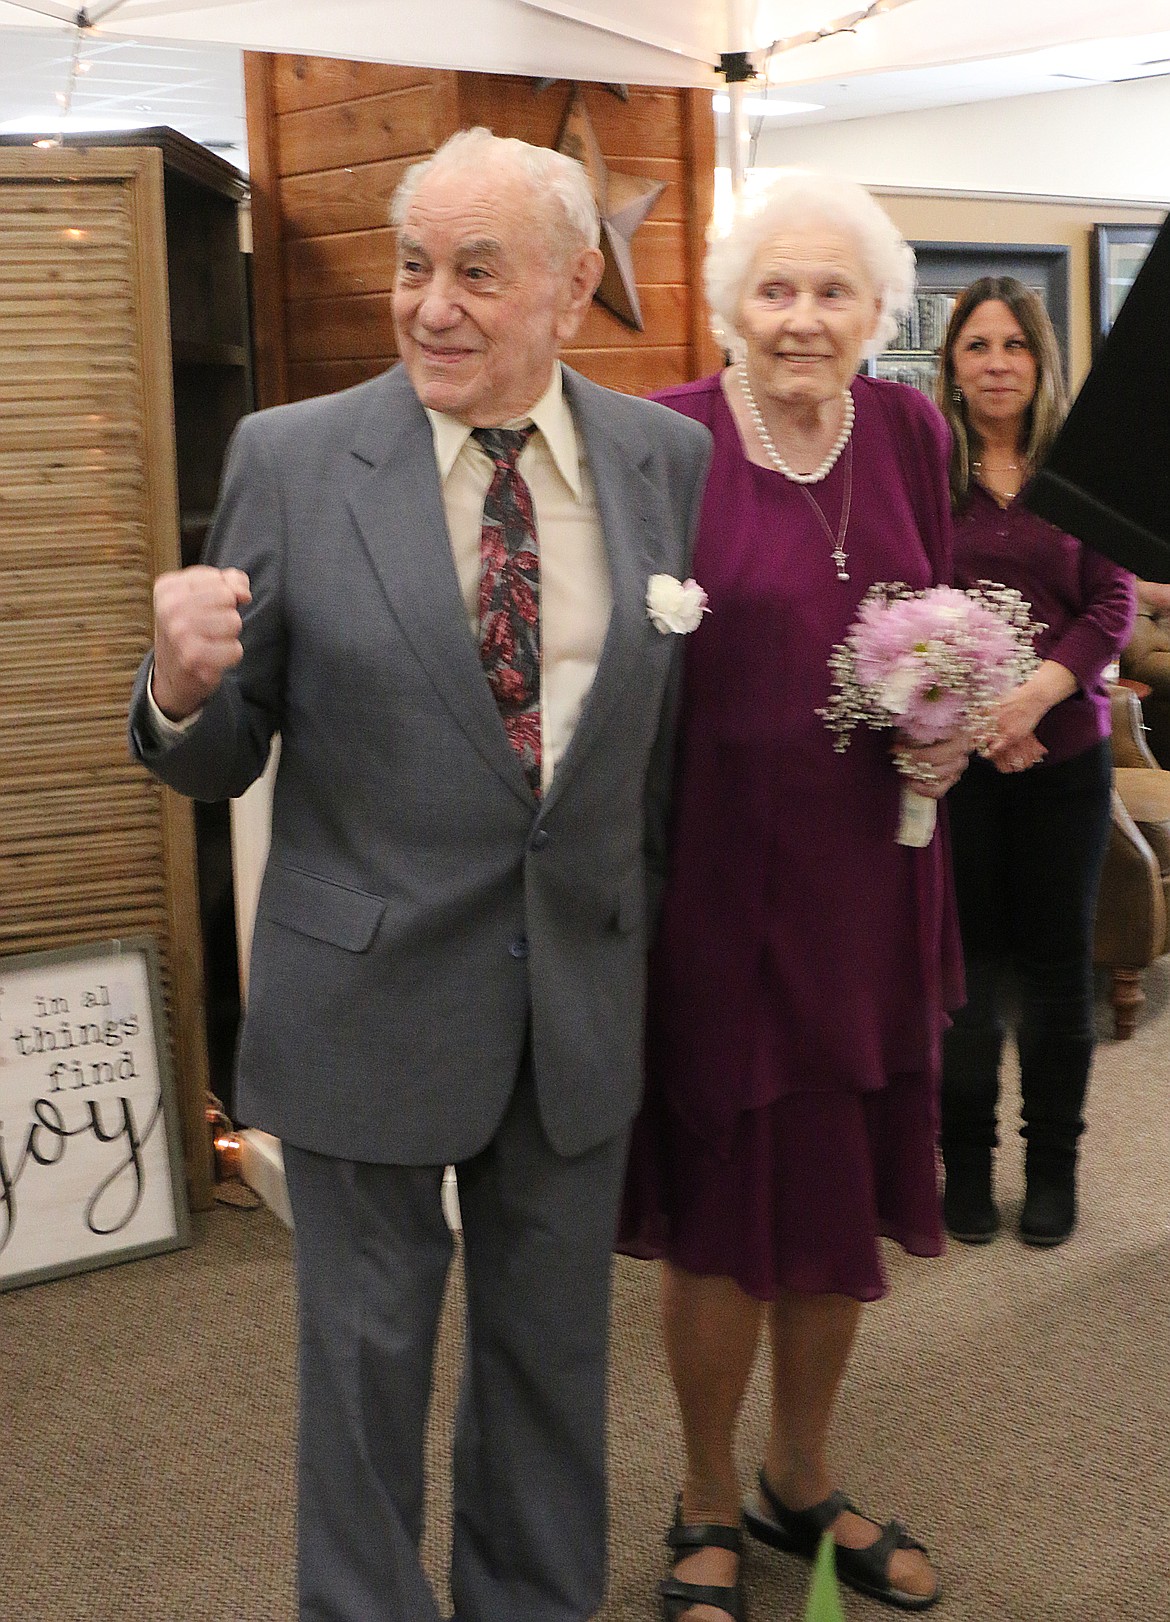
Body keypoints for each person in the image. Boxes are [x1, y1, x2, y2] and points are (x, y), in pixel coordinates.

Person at [128, 128, 711, 1622]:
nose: (429, 305)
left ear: (575, 285)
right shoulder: (293, 456)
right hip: (361, 1001)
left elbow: (648, 761)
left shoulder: (663, 460)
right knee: (365, 1378)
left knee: (548, 1372)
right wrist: (182, 690)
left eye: (474, 271)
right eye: (410, 266)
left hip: (570, 1007)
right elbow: (219, 754)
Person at [618, 172, 968, 1622]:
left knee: (836, 1199)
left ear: (876, 311)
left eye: (833, 292)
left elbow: (937, 620)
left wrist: (951, 717)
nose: (804, 317)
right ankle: (702, 1497)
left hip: (874, 884)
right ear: (730, 308)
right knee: (719, 1212)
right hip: (713, 889)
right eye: (776, 289)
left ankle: (799, 1479)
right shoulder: (670, 439)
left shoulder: (910, 430)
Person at [934, 276, 1135, 1249]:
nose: (998, 361)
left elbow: (1113, 605)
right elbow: (906, 607)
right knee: (965, 976)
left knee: (1058, 977)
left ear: (1040, 358)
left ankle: (1052, 1168)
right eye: (978, 345)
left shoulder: (1082, 474)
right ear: (954, 363)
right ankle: (964, 1168)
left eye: (1014, 343)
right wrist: (980, 716)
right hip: (959, 768)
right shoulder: (931, 476)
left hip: (1066, 765)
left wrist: (1034, 697)